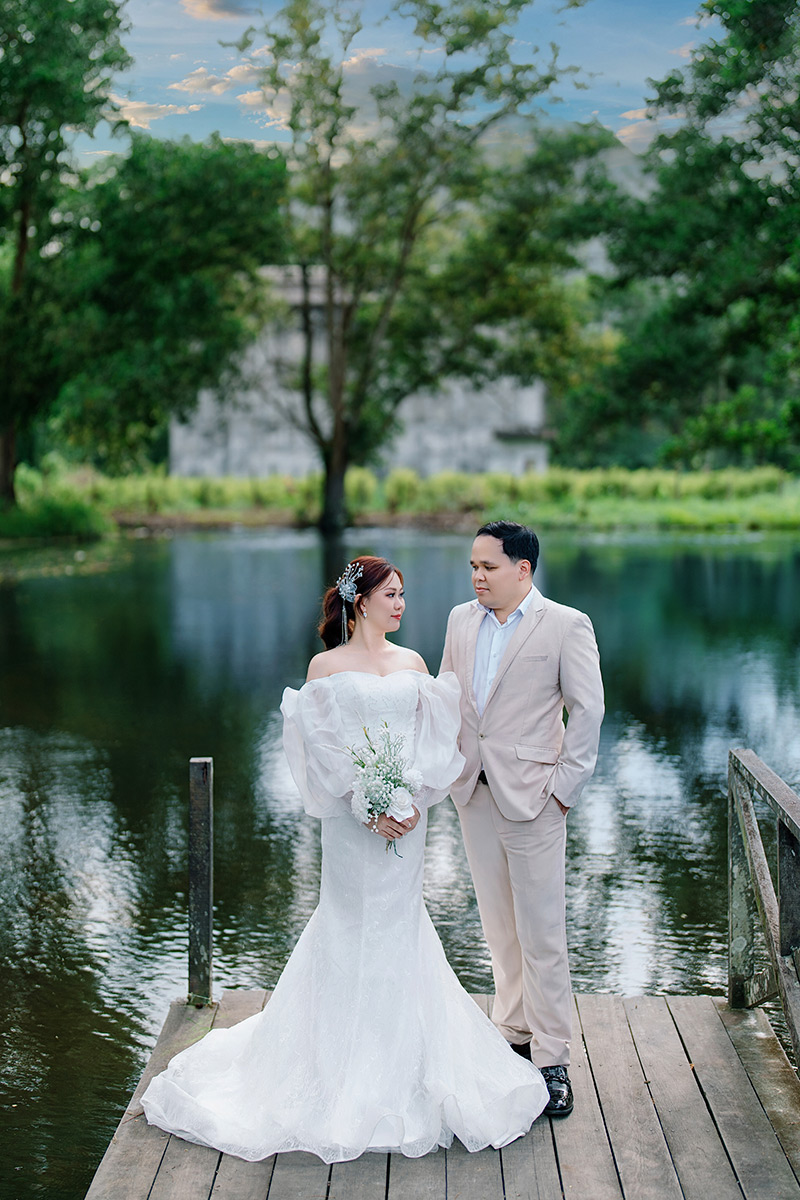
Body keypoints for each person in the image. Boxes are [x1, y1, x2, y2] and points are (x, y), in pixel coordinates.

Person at [141, 555, 548, 1162]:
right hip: (351, 824)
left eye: (403, 594)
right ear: (361, 601)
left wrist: (408, 797)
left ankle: (409, 1064)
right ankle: (334, 1065)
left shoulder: (414, 664)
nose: (401, 604)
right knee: (348, 923)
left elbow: (433, 742)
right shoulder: (325, 667)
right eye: (392, 594)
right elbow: (322, 748)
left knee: (402, 926)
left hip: (406, 821)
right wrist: (365, 803)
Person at [441, 522, 604, 1118]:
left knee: (542, 936)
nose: (477, 577)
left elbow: (588, 711)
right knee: (499, 930)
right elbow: (447, 697)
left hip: (536, 799)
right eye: (473, 566)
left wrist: (563, 792)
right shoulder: (461, 621)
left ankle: (553, 1059)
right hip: (474, 794)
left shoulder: (565, 624)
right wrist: (445, 772)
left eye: (488, 566)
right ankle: (512, 1036)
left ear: (523, 569)